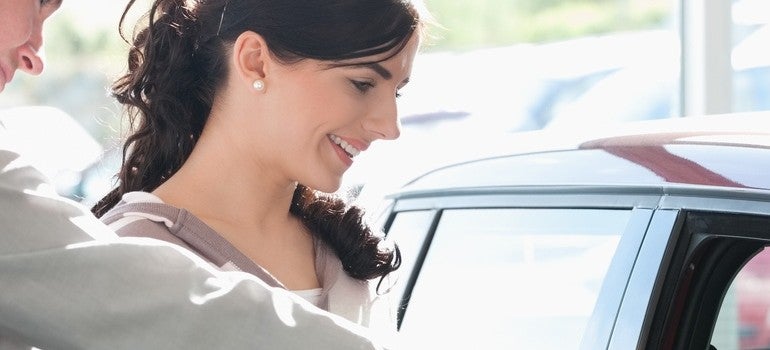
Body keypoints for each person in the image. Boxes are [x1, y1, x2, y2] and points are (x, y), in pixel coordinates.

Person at [0, 0, 425, 348]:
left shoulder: (353, 245)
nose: (390, 126)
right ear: (255, 62)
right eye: (362, 83)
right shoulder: (135, 243)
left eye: (398, 92)